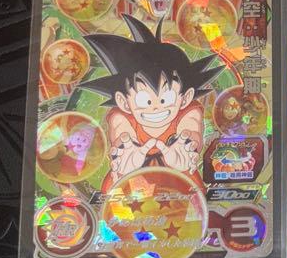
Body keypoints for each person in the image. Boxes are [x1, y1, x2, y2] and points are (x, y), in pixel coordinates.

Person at [81, 14, 221, 189]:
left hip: (181, 181)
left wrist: (187, 149)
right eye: (144, 100)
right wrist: (126, 157)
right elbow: (122, 136)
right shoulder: (121, 116)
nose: (155, 107)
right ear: (123, 102)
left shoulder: (189, 111)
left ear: (185, 97)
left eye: (165, 98)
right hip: (130, 184)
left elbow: (190, 131)